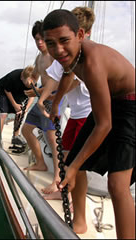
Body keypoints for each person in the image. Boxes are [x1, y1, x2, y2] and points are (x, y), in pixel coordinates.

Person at [42, 9, 135, 239]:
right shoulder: (71, 57)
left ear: (80, 34)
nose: (58, 50)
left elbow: (104, 125)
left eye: (64, 41)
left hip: (132, 105)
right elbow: (67, 74)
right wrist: (55, 106)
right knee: (76, 161)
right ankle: (80, 222)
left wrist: (71, 170)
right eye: (51, 43)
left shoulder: (93, 63)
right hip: (110, 100)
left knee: (117, 184)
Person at [37, 6, 95, 198]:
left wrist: (55, 98)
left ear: (82, 34)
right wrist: (44, 99)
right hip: (76, 114)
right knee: (67, 154)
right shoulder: (62, 57)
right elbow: (54, 78)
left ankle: (69, 198)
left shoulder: (87, 57)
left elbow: (73, 80)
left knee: (76, 162)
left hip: (86, 114)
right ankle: (64, 192)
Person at [22, 20, 65, 195]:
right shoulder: (39, 58)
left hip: (53, 100)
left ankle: (57, 178)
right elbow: (35, 75)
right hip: (41, 98)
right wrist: (30, 81)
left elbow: (63, 80)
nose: (39, 43)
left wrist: (42, 92)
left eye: (42, 38)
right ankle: (40, 162)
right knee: (26, 129)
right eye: (36, 39)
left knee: (53, 140)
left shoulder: (54, 55)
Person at [0, 66, 35, 145]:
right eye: (27, 84)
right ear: (22, 77)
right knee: (4, 114)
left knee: (19, 112)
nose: (29, 85)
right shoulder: (13, 76)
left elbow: (32, 96)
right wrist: (15, 105)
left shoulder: (33, 80)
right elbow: (7, 90)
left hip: (17, 92)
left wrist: (26, 108)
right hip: (3, 90)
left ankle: (15, 137)